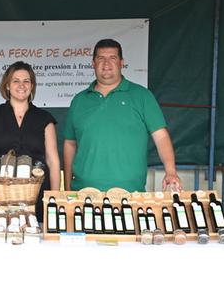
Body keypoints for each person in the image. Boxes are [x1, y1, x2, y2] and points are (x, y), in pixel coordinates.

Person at [63, 39, 181, 192]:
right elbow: (69, 144)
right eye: (100, 58)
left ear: (121, 63)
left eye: (112, 58)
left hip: (130, 194)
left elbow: (161, 136)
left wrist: (170, 171)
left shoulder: (142, 96)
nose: (106, 64)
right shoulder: (79, 100)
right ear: (93, 63)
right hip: (84, 193)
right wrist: (66, 189)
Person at [0, 61, 61, 218]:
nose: (21, 85)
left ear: (32, 86)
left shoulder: (45, 118)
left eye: (26, 81)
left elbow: (53, 161)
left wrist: (54, 199)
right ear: (7, 85)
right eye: (16, 81)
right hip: (0, 195)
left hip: (37, 195)